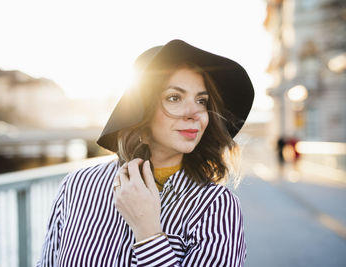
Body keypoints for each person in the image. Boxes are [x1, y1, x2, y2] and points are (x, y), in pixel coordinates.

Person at [37, 39, 254, 266]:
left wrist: (148, 233)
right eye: (174, 98)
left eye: (202, 101)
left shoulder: (216, 207)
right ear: (141, 112)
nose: (194, 112)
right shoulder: (78, 186)